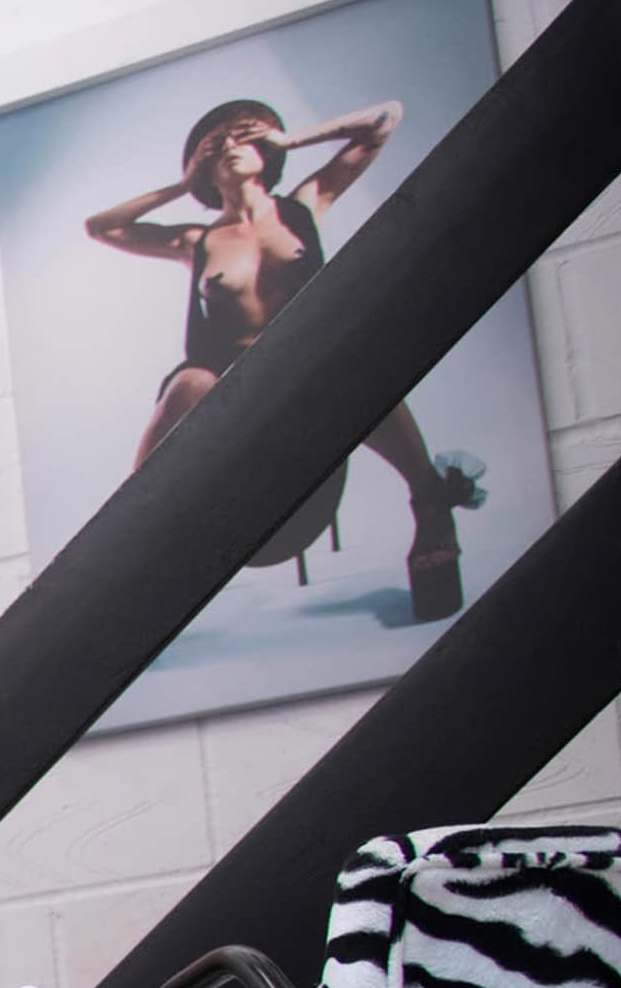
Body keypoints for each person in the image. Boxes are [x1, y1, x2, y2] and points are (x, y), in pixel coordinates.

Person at [85, 95, 487, 617]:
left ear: (268, 150)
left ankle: (430, 504)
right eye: (218, 144)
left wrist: (292, 139)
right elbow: (102, 226)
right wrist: (187, 183)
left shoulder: (304, 205)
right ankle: (130, 537)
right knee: (188, 385)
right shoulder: (197, 239)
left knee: (353, 357)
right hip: (228, 383)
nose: (230, 146)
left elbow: (385, 121)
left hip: (309, 370)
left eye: (242, 137)